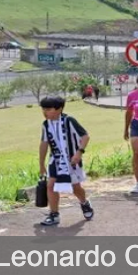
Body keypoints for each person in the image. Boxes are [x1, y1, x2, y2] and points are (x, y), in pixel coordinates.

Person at [38, 96, 93, 226]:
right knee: (51, 186)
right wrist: (41, 164)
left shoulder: (69, 121)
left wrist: (79, 152)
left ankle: (84, 203)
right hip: (55, 160)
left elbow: (85, 136)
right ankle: (54, 214)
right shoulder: (46, 125)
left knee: (75, 187)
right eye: (43, 109)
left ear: (59, 109)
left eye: (48, 109)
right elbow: (44, 143)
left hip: (71, 160)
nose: (45, 112)